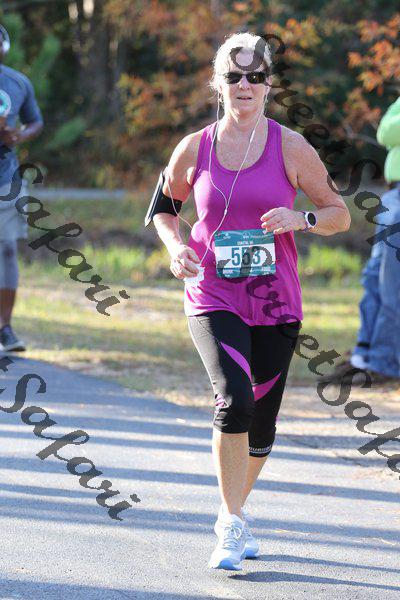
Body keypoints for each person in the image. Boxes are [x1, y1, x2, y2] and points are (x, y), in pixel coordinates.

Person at [147, 31, 350, 571]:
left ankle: (231, 510)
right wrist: (176, 247)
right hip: (212, 291)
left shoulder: (292, 146)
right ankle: (232, 523)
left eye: (255, 76)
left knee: (260, 422)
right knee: (234, 400)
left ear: (268, 84)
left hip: (275, 299)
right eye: (234, 76)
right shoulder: (194, 147)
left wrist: (301, 218)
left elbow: (339, 214)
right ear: (218, 83)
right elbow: (164, 209)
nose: (245, 85)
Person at [320, 97, 400, 385]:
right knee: (373, 279)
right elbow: (386, 133)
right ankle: (364, 356)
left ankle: (384, 363)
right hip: (393, 195)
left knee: (392, 285)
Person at [0, 24, 43, 351]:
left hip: (7, 181)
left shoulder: (17, 83)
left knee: (7, 250)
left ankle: (5, 328)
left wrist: (18, 135)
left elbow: (35, 121)